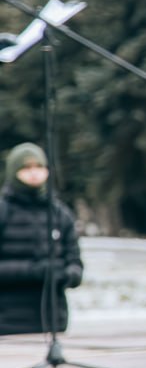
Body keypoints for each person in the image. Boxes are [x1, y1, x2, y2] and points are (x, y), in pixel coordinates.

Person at [0, 143, 82, 336]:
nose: (34, 173)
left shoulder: (60, 214)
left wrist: (66, 274)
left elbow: (76, 263)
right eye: (26, 168)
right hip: (8, 322)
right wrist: (33, 271)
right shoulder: (4, 212)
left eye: (39, 167)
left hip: (53, 321)